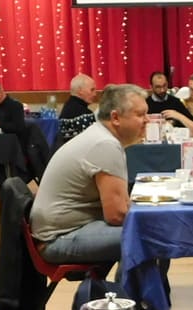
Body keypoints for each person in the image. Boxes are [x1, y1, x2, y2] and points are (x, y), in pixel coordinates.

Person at [29, 82, 148, 273]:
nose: (147, 120)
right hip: (58, 239)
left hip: (63, 230)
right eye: (140, 115)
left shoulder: (100, 136)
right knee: (149, 236)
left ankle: (132, 298)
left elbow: (122, 205)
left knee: (147, 231)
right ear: (115, 117)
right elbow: (116, 215)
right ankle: (129, 300)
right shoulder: (105, 144)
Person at [55, 73, 99, 147]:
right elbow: (92, 144)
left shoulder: (67, 107)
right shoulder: (84, 114)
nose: (95, 94)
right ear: (80, 91)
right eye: (92, 90)